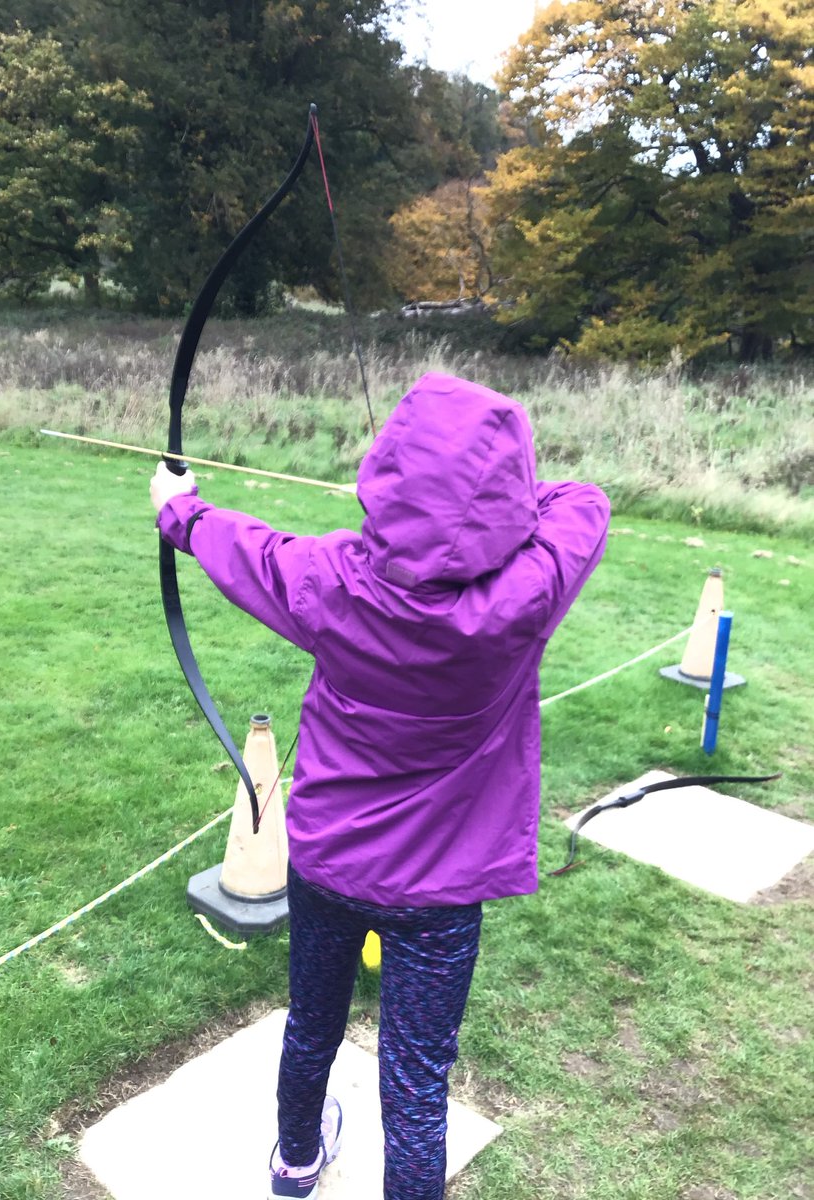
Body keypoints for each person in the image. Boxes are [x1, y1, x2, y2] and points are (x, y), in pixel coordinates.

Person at [151, 372, 610, 1200]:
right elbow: (583, 500)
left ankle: (295, 1161)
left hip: (329, 865)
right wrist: (500, 510)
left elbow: (236, 544)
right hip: (441, 890)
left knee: (312, 1026)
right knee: (416, 1077)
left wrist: (176, 507)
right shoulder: (530, 589)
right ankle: (312, 1159)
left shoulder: (330, 577)